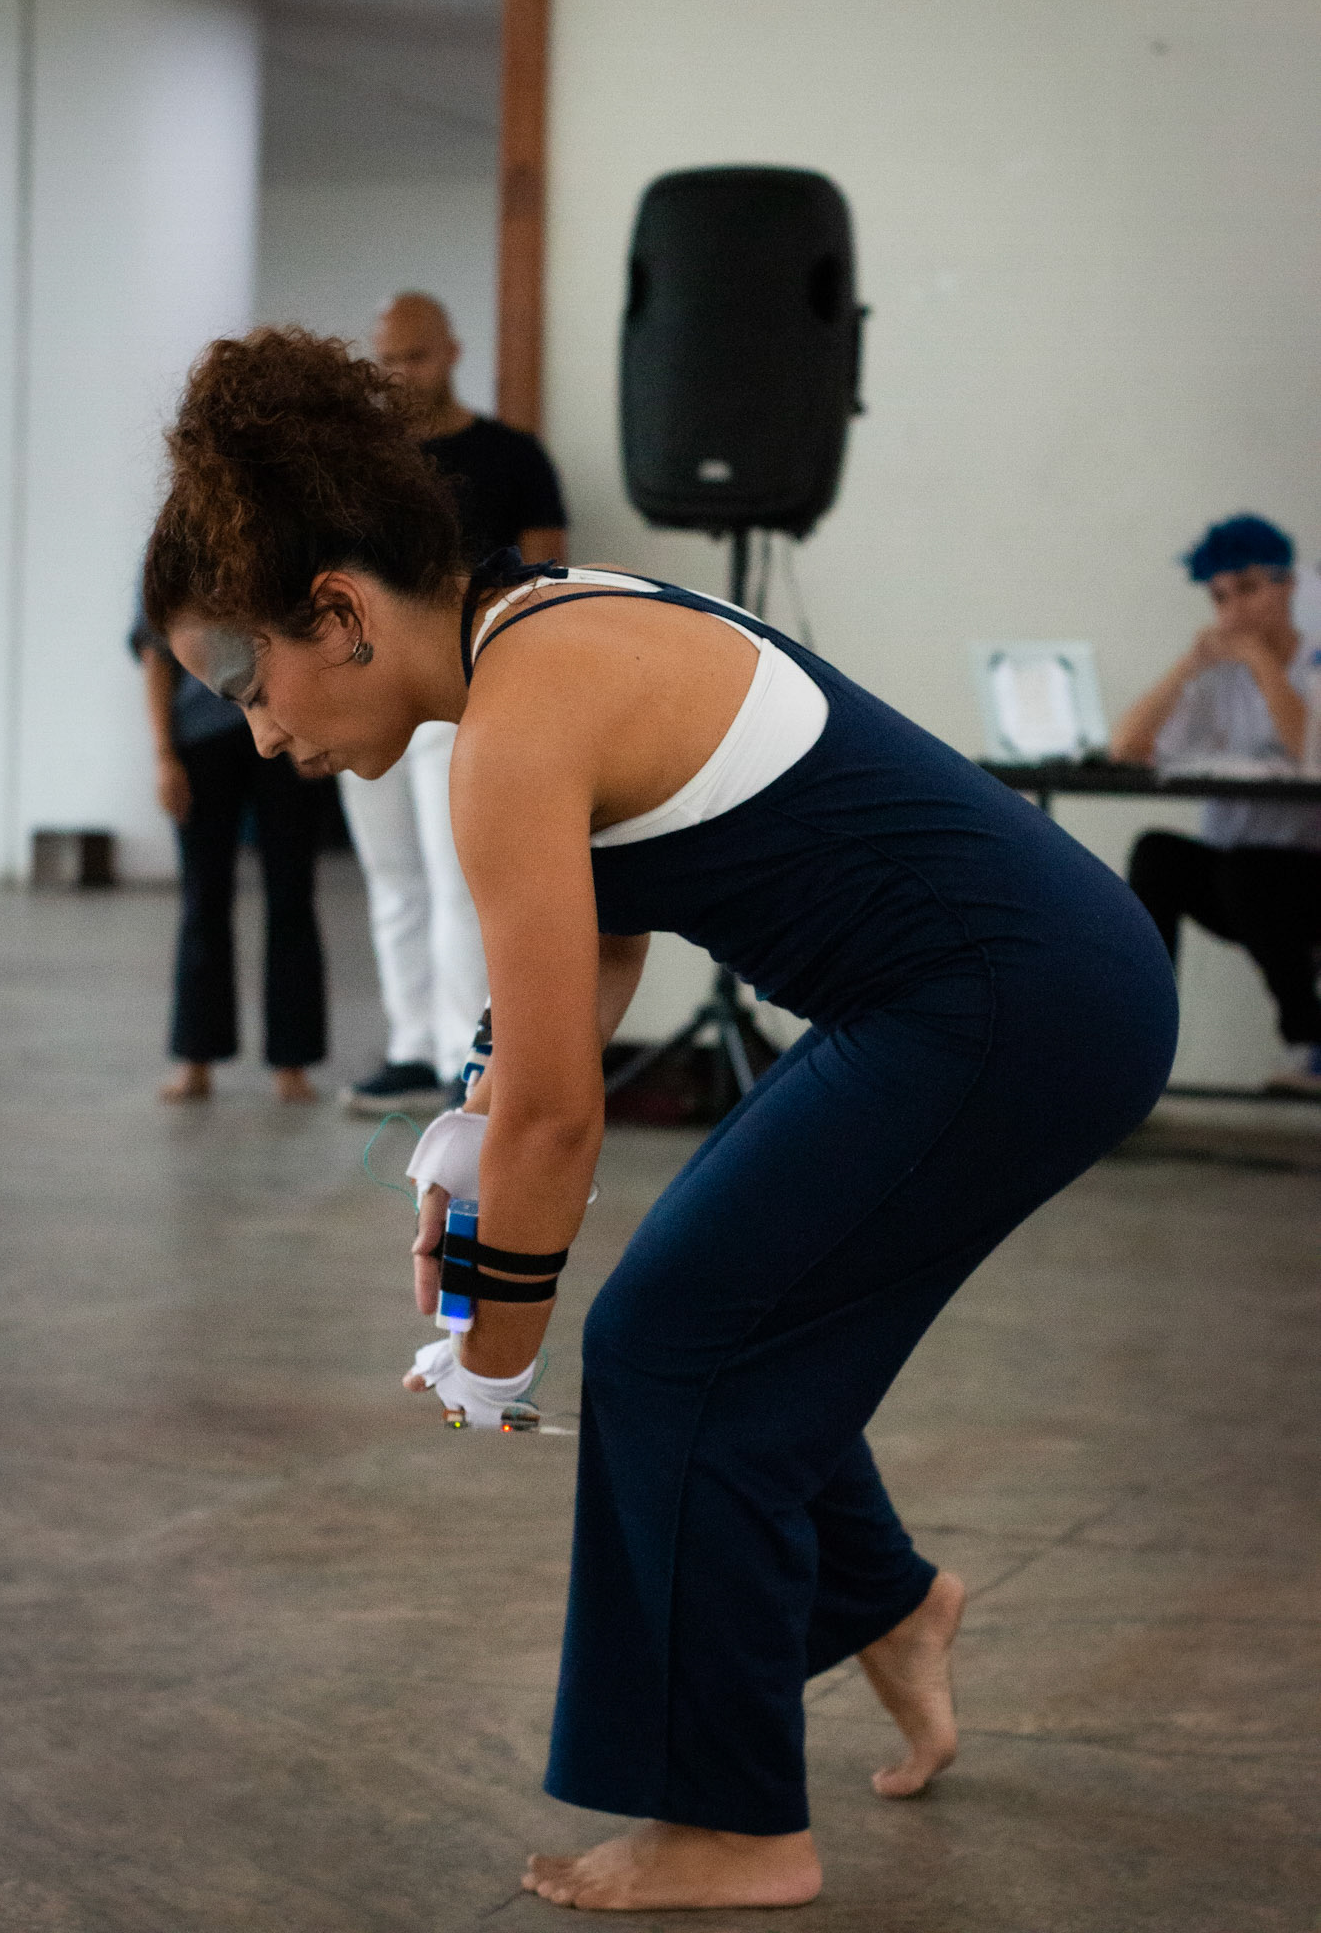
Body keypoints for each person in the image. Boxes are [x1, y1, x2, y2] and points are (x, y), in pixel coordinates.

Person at [144, 329, 1177, 1913]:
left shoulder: (513, 726)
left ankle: (735, 1828)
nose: (260, 734)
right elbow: (591, 963)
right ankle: (883, 1605)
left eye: (241, 682)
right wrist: (467, 1162)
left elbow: (564, 1117)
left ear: (337, 614)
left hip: (1003, 1007)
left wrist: (490, 1353)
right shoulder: (546, 627)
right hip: (1010, 991)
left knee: (672, 1346)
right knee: (723, 1328)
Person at [338, 292, 568, 1114]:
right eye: (388, 360)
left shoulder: (511, 456)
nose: (402, 374)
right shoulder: (362, 466)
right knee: (392, 876)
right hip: (365, 693)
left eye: (416, 356)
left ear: (451, 352)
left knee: (458, 877)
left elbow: (544, 578)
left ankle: (458, 1060)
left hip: (461, 692)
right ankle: (410, 1046)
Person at [1110, 514, 1321, 1096]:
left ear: (1288, 585)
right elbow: (1126, 748)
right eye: (1220, 597)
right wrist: (1186, 667)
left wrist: (1262, 661)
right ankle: (1136, 1046)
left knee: (1248, 870)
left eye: (1248, 589)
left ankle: (1309, 1037)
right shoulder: (1218, 678)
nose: (1233, 610)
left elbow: (1310, 748)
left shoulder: (1314, 663)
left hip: (1303, 878)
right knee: (1156, 853)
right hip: (1240, 887)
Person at [131, 591, 327, 1102]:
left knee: (292, 895)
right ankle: (196, 1057)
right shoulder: (165, 555)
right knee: (203, 897)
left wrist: (319, 729)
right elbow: (156, 655)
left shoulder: (290, 544)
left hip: (289, 731)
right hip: (199, 742)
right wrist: (163, 756)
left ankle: (293, 1061)